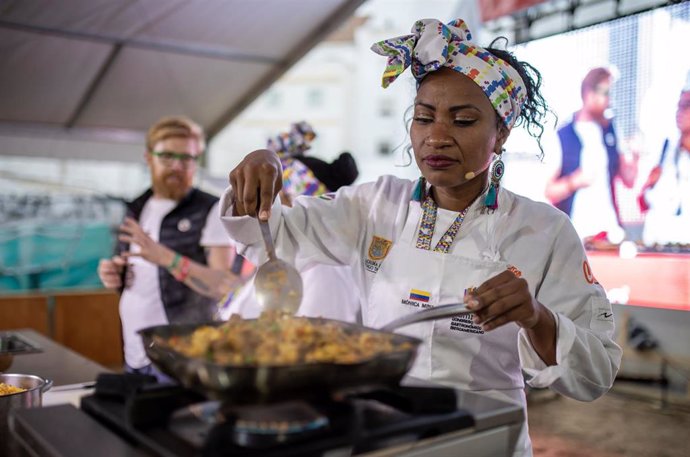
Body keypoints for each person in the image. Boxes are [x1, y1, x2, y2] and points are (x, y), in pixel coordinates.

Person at [220, 18, 621, 457]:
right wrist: (261, 170)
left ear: (501, 134)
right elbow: (272, 236)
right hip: (381, 432)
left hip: (484, 439)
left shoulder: (543, 230)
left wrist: (536, 316)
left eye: (463, 120)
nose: (437, 136)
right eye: (424, 118)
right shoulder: (374, 206)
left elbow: (594, 374)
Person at [97, 115, 240, 379]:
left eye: (187, 158)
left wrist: (166, 258)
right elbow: (131, 271)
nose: (177, 166)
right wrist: (113, 275)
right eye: (167, 156)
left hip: (182, 356)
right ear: (148, 157)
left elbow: (224, 284)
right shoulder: (136, 207)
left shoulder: (210, 209)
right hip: (133, 350)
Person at [224, 126, 362, 322]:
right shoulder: (283, 257)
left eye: (276, 198)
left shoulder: (325, 269)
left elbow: (319, 340)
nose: (263, 207)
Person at [545, 67, 637, 243]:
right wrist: (574, 182)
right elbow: (549, 191)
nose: (608, 99)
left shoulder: (611, 130)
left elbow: (628, 180)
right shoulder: (563, 135)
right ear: (588, 92)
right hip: (576, 234)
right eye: (604, 92)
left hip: (610, 232)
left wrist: (634, 158)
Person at [639, 75, 690, 245]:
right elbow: (643, 201)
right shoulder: (664, 150)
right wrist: (649, 185)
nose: (679, 111)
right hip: (660, 242)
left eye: (686, 106)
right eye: (678, 106)